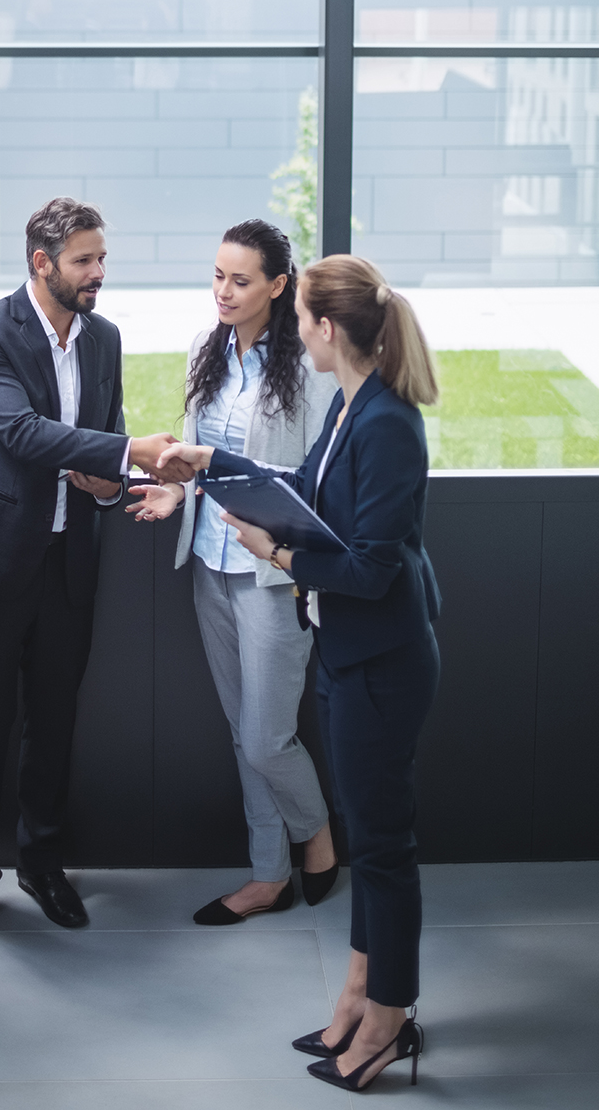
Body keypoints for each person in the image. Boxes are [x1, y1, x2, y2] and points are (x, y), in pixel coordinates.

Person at [157, 254, 441, 1092]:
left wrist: (278, 551)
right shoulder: (351, 407)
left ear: (323, 326)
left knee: (384, 849)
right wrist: (212, 467)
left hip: (382, 661)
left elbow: (372, 567)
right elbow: (304, 489)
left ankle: (390, 1017)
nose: (297, 332)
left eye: (303, 318)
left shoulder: (387, 421)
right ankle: (360, 988)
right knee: (372, 836)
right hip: (349, 651)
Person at [0, 196, 194, 960]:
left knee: (54, 721)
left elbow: (98, 436)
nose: (98, 273)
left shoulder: (104, 338)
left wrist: (110, 482)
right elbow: (18, 432)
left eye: (101, 258)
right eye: (84, 260)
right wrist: (126, 453)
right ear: (41, 263)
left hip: (69, 557)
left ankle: (42, 865)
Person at [125, 220, 340, 920]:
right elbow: (197, 453)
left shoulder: (307, 366)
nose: (223, 291)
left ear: (279, 287)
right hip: (209, 564)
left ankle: (317, 834)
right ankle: (267, 873)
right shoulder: (204, 348)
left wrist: (254, 508)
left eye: (240, 280)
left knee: (265, 735)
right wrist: (177, 488)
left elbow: (314, 478)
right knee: (238, 729)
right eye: (217, 275)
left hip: (272, 573)